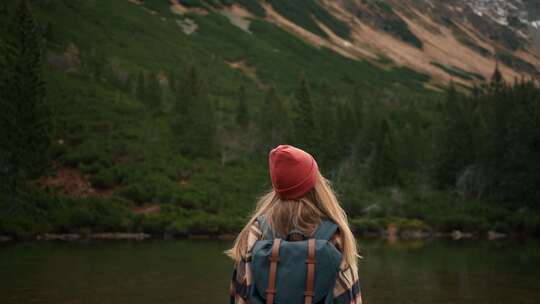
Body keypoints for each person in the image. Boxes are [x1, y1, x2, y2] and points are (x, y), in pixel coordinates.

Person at [227, 145, 362, 304]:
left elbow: (240, 298)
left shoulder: (255, 233)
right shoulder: (335, 236)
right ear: (315, 184)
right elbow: (350, 299)